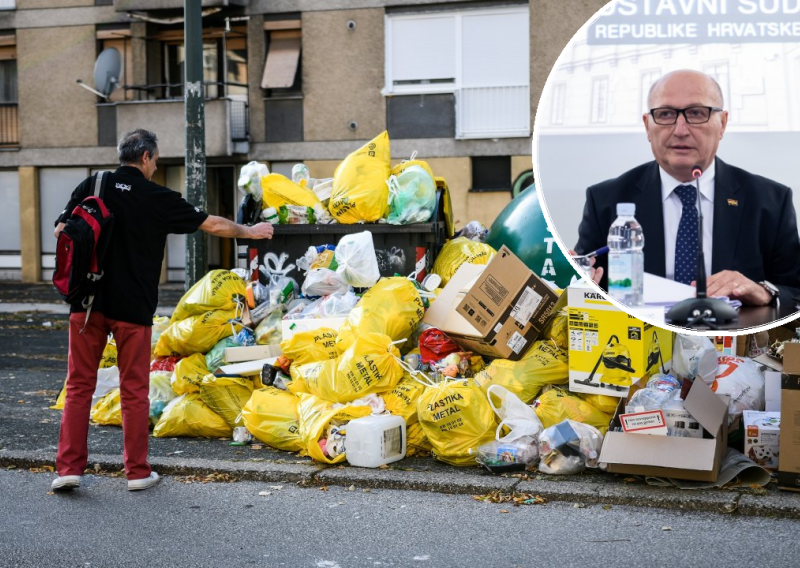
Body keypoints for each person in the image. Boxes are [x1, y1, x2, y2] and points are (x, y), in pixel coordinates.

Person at [50, 129, 274, 493]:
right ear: (145, 158)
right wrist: (251, 231)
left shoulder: (94, 183)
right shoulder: (156, 197)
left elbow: (63, 229)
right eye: (155, 160)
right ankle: (137, 473)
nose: (155, 166)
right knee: (135, 390)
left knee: (78, 388)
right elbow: (212, 224)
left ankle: (69, 469)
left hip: (87, 302)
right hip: (132, 307)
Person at [575, 69, 800, 307]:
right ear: (647, 126)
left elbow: (794, 291)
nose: (680, 130)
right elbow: (585, 286)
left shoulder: (770, 201)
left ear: (722, 123)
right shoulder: (605, 201)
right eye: (665, 114)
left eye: (696, 113)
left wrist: (765, 292)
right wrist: (581, 279)